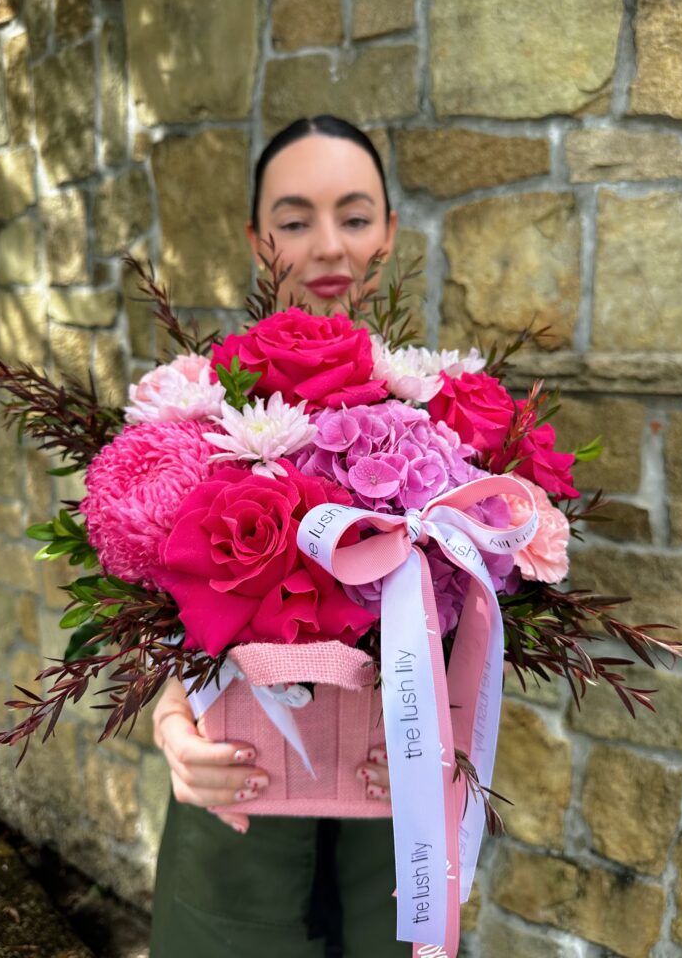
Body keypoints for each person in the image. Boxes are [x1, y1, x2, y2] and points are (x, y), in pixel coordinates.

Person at [149, 116, 408, 957]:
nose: (329, 246)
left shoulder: (440, 420)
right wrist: (171, 725)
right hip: (236, 811)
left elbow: (485, 630)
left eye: (355, 216)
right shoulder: (196, 418)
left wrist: (450, 735)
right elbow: (155, 614)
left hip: (395, 834)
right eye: (295, 221)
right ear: (258, 241)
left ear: (389, 234)